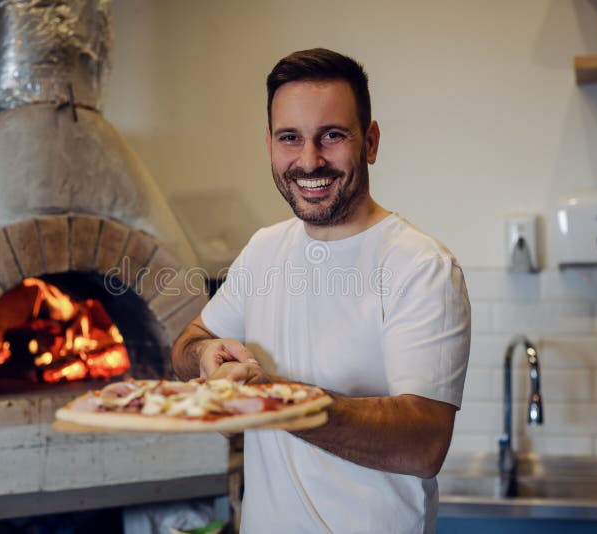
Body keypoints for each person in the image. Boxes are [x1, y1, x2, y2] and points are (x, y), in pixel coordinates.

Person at [171, 48, 470, 533]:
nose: (309, 160)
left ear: (370, 142)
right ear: (269, 144)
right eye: (291, 138)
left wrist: (272, 399)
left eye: (332, 136)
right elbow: (187, 344)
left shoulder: (421, 266)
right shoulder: (265, 249)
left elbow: (424, 444)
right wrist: (207, 353)